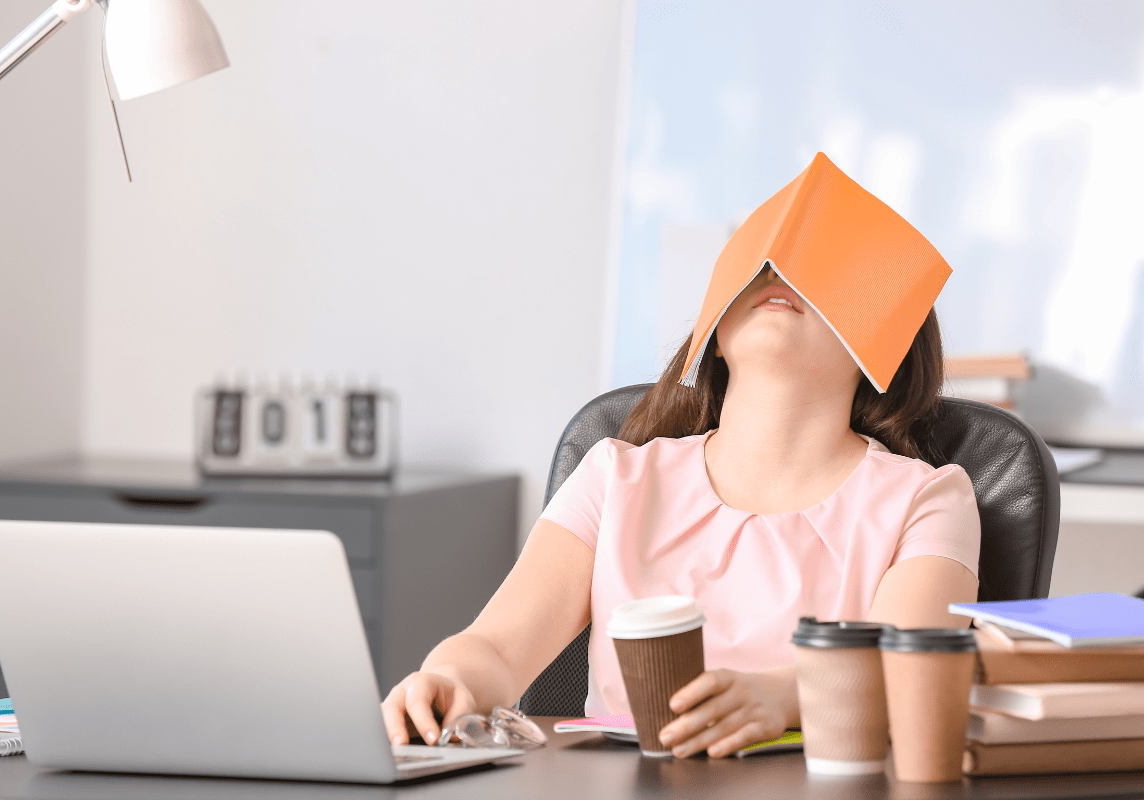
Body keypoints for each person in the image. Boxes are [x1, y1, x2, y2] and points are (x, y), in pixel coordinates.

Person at [383, 157, 980, 759]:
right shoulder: (615, 478)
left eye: (823, 271)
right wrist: (449, 679)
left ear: (884, 338)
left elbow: (907, 665)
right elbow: (497, 647)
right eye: (762, 265)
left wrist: (785, 695)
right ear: (717, 327)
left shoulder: (926, 499)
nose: (781, 276)